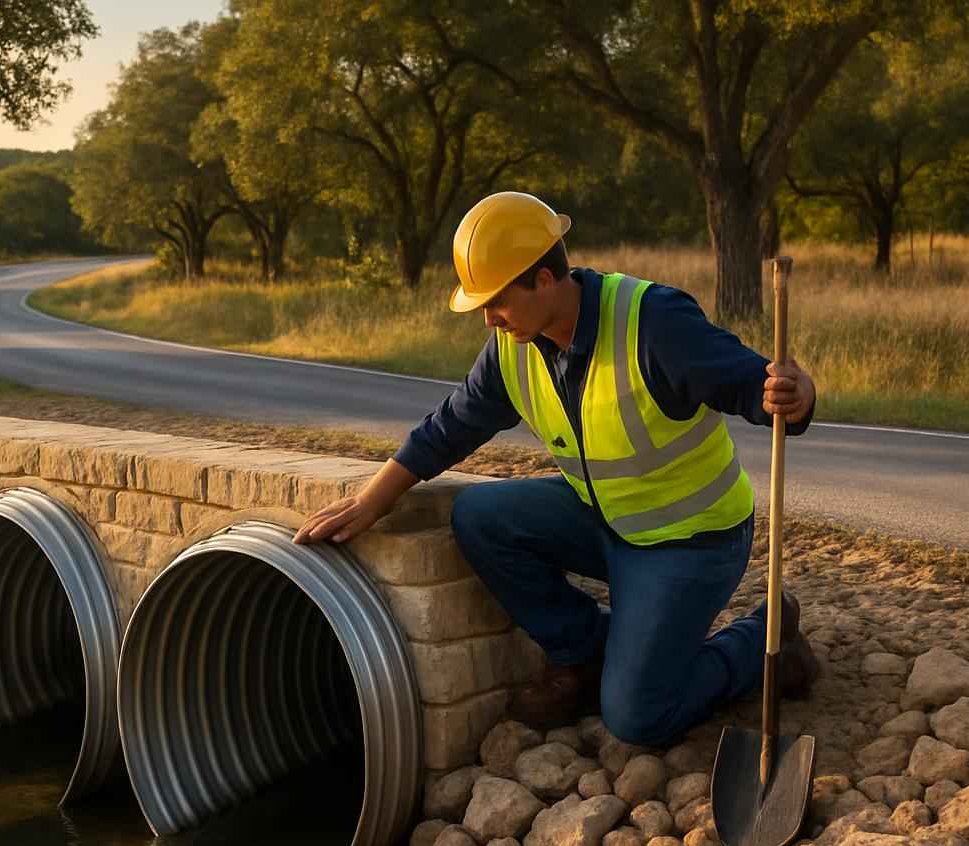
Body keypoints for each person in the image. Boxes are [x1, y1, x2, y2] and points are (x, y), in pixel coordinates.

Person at [292, 191, 822, 742]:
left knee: (637, 717)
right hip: (604, 518)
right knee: (479, 517)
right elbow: (448, 428)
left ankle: (764, 641)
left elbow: (761, 389)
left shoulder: (654, 322)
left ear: (544, 278)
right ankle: (586, 654)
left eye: (495, 301)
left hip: (690, 540)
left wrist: (798, 392)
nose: (487, 318)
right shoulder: (512, 346)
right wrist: (373, 499)